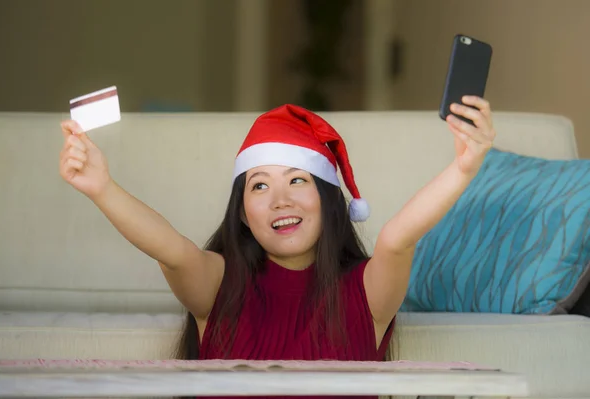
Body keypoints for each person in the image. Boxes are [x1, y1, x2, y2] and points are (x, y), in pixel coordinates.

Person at [59, 97, 495, 397]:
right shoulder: (218, 284)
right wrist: (101, 188)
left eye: (297, 180)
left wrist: (462, 168)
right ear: (244, 212)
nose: (279, 199)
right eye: (260, 184)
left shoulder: (366, 293)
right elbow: (171, 249)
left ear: (329, 201)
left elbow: (398, 238)